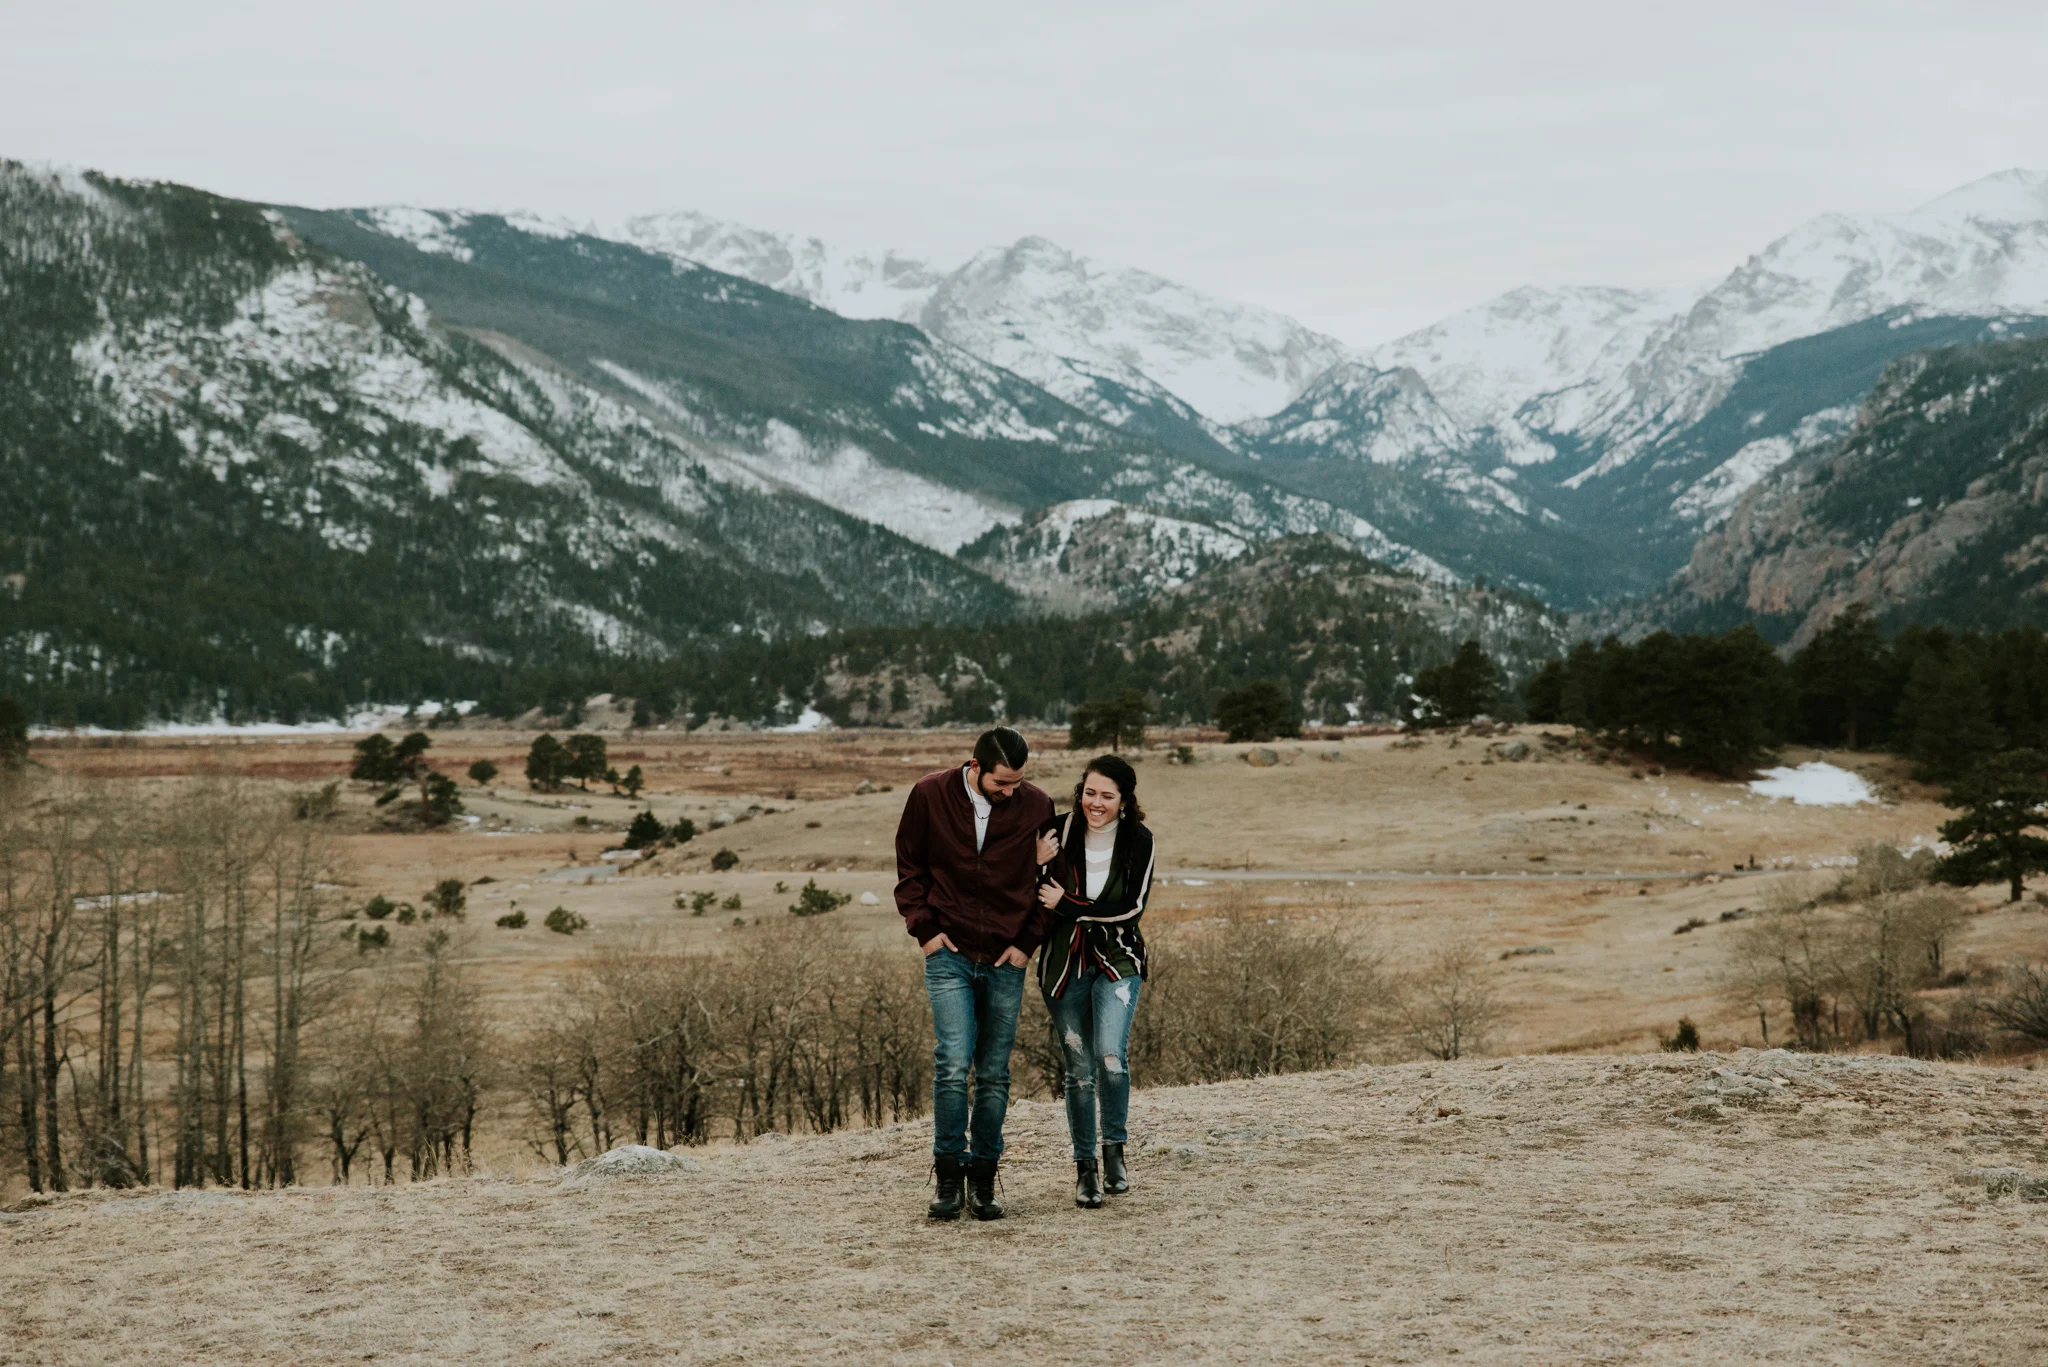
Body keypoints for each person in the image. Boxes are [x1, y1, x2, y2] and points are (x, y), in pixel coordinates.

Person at [894, 725, 1054, 1221]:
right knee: (951, 1062)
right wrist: (925, 931)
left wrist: (1028, 943)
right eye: (1002, 783)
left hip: (1006, 957)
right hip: (950, 953)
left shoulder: (1036, 804)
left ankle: (984, 1179)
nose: (1011, 792)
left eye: (1018, 783)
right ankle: (947, 1176)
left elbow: (1051, 881)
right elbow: (910, 867)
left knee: (993, 1073)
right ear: (976, 767)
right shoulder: (929, 794)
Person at [1034, 753, 1154, 1208]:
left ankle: (1114, 1152)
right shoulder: (1058, 832)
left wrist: (1070, 906)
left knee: (1110, 1057)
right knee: (1079, 1069)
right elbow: (1031, 892)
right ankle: (1085, 1169)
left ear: (1124, 800)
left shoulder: (1139, 840)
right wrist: (1032, 860)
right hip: (1064, 962)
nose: (1095, 803)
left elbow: (1132, 909)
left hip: (1118, 958)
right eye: (1089, 792)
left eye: (1107, 795)